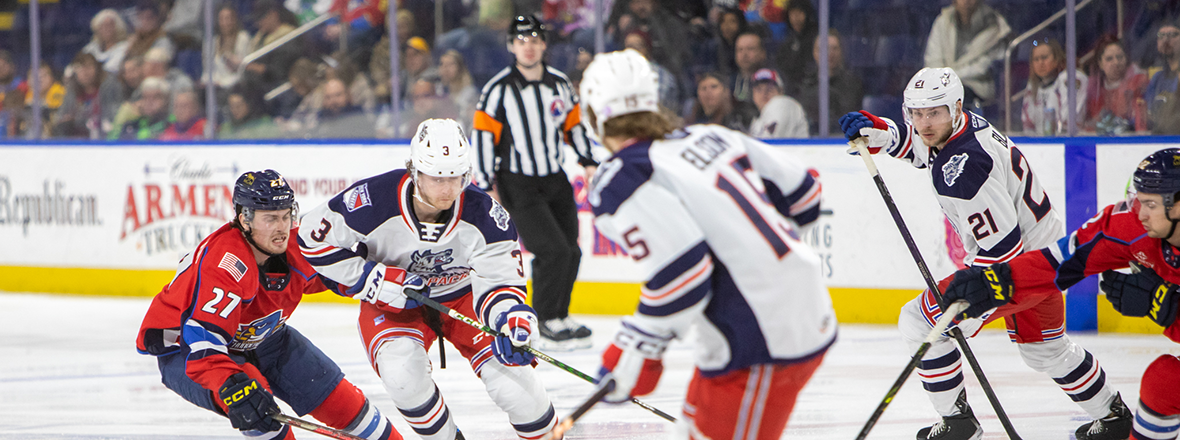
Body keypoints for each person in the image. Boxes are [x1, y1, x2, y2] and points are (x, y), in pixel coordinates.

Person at [838, 67, 1128, 440]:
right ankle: (1114, 416)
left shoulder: (966, 169)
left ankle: (958, 424)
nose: (924, 123)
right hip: (1048, 257)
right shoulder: (963, 127)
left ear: (956, 106)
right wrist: (880, 131)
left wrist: (969, 292)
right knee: (1045, 349)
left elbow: (1004, 250)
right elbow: (926, 145)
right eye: (916, 113)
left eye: (934, 112)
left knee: (920, 321)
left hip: (1017, 267)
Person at [577, 48, 834, 440]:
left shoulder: (621, 177)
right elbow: (805, 194)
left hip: (759, 339)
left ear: (593, 115)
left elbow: (682, 277)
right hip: (778, 317)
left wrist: (630, 354)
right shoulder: (710, 134)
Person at [298, 119, 560, 440]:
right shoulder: (373, 199)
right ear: (414, 170)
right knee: (403, 377)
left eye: (456, 177)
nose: (448, 189)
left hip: (465, 298)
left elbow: (501, 283)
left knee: (522, 396)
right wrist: (373, 281)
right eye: (437, 177)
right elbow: (311, 235)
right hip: (394, 302)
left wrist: (511, 320)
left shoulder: (486, 216)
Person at [135, 169, 405, 440]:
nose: (282, 227)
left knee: (346, 405)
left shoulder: (297, 247)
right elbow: (203, 343)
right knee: (258, 414)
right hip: (191, 352)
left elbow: (345, 275)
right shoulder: (226, 265)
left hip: (264, 337)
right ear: (245, 220)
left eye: (286, 215)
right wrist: (230, 386)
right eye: (271, 218)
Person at [939, 148, 1180, 440]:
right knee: (1164, 383)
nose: (1140, 213)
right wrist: (997, 280)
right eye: (1138, 201)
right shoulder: (1131, 226)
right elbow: (1062, 261)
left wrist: (1171, 310)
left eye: (1150, 204)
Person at [470, 14, 597, 349]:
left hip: (554, 177)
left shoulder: (559, 84)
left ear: (544, 44)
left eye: (535, 40)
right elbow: (483, 137)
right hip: (517, 181)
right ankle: (541, 318)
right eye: (522, 41)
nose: (529, 47)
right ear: (512, 46)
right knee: (551, 250)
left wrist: (587, 161)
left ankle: (560, 314)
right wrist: (484, 185)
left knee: (571, 250)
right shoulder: (498, 90)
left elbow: (574, 127)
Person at [924, 0, 1011, 115]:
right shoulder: (942, 22)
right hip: (942, 86)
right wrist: (943, 81)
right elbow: (933, 59)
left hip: (978, 89)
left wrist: (951, 77)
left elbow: (985, 65)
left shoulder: (994, 24)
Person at [797, 30, 864, 136]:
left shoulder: (852, 84)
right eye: (823, 49)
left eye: (834, 48)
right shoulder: (805, 84)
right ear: (814, 53)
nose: (829, 53)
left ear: (841, 52)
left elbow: (849, 115)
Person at [1020, 38, 1088, 135]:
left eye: (1044, 58)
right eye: (1036, 59)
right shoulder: (1032, 87)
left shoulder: (1069, 79)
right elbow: (1028, 125)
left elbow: (1070, 121)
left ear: (1057, 59)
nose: (1040, 63)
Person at [1084, 37, 1148, 134]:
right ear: (1100, 63)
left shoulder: (1137, 83)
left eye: (1120, 57)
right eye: (1109, 59)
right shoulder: (1092, 88)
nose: (1116, 63)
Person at [686, 72, 759, 133]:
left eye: (714, 87)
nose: (708, 92)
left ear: (726, 92)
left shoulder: (744, 115)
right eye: (703, 88)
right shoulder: (694, 120)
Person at [748, 68, 808, 138]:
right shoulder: (758, 121)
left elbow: (769, 142)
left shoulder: (783, 104)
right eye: (758, 89)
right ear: (753, 95)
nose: (763, 94)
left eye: (769, 89)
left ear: (781, 92)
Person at [111, 76, 172, 140]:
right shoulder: (131, 126)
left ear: (166, 101)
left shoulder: (171, 125)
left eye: (155, 97)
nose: (149, 102)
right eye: (145, 97)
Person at [1146, 22, 1180, 134]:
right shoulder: (1157, 78)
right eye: (1161, 35)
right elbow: (1149, 113)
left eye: (1172, 35)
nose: (1166, 40)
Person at [82, 9, 132, 74]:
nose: (107, 29)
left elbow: (112, 68)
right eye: (103, 26)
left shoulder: (124, 47)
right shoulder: (91, 48)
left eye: (110, 25)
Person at [731, 31, 771, 103]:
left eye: (750, 49)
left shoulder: (772, 82)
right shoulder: (729, 82)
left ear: (763, 53)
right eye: (740, 50)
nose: (744, 54)